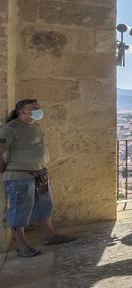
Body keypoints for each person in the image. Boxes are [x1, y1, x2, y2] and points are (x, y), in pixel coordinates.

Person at [0, 99, 75, 258]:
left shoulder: (35, 126)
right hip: (19, 176)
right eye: (33, 108)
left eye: (38, 108)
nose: (38, 110)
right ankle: (22, 245)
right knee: (19, 210)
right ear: (21, 112)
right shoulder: (10, 129)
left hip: (38, 174)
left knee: (44, 206)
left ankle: (50, 235)